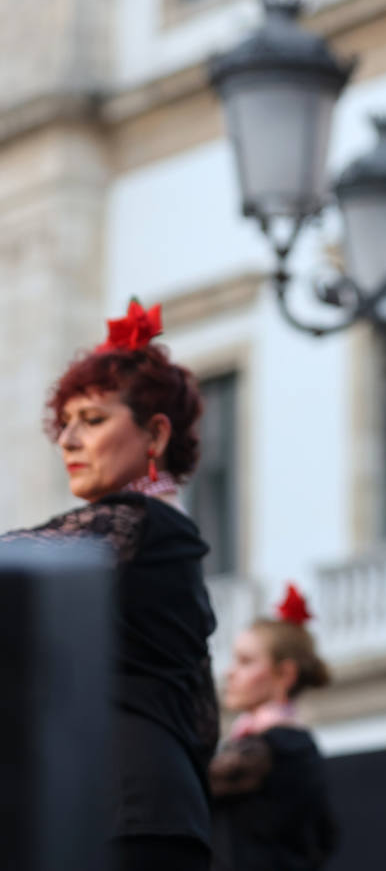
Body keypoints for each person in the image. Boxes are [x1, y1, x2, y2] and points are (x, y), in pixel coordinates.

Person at [1, 299, 218, 870]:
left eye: (93, 420)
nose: (68, 441)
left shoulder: (136, 524)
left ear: (155, 434)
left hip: (123, 813)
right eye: (65, 424)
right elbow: (202, 722)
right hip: (153, 812)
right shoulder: (164, 540)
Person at [209, 584, 337, 871]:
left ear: (285, 674)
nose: (230, 672)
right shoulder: (295, 745)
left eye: (246, 661)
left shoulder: (265, 749)